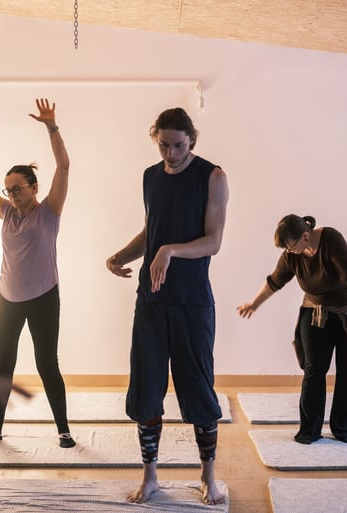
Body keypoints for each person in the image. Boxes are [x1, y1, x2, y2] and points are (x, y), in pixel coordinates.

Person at [106, 107, 229, 505]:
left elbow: (213, 241)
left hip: (192, 300)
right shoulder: (150, 176)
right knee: (146, 388)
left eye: (178, 146)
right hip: (152, 300)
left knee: (199, 389)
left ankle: (208, 477)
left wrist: (170, 251)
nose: (171, 154)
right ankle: (151, 477)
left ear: (192, 140)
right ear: (155, 138)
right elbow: (151, 231)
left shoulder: (213, 176)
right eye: (163, 145)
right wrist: (121, 256)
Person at [0, 98, 75, 449]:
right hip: (7, 297)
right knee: (3, 364)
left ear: (34, 187)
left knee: (47, 364)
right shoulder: (6, 212)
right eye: (8, 190)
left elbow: (64, 166)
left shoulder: (49, 211)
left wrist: (51, 127)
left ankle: (64, 430)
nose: (11, 195)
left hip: (44, 297)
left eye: (18, 189)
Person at [237, 215, 347, 444]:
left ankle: (344, 429)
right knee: (314, 370)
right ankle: (309, 430)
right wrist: (253, 304)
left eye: (291, 246)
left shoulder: (331, 240)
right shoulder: (292, 255)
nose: (289, 252)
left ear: (305, 236)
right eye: (286, 249)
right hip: (317, 313)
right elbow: (274, 281)